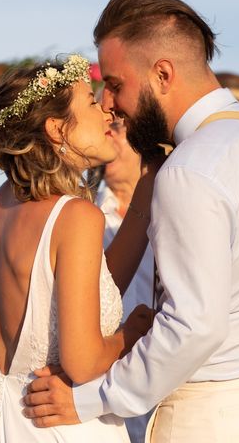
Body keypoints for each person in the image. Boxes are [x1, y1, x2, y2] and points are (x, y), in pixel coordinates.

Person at [23, 0, 239, 442]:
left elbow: (194, 326)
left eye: (115, 84)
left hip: (221, 418)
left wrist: (90, 398)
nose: (109, 104)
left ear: (163, 74)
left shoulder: (192, 166)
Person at [0, 54, 156, 442]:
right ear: (57, 129)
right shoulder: (75, 216)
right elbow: (83, 361)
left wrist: (149, 180)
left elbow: (93, 286)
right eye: (91, 103)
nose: (107, 113)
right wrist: (134, 330)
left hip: (4, 421)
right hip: (63, 427)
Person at [95, 115, 154, 443]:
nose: (109, 134)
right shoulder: (84, 209)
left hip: (164, 389)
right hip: (102, 401)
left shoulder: (173, 209)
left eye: (118, 127)